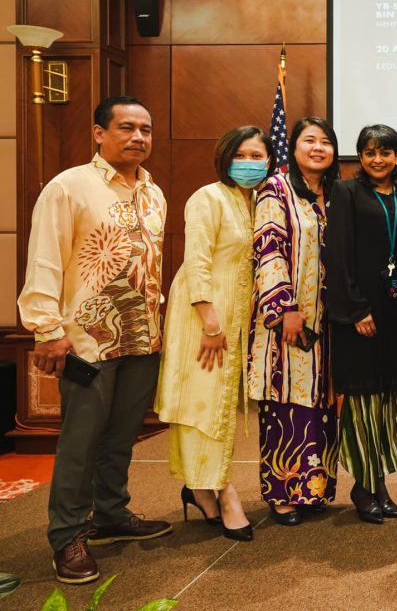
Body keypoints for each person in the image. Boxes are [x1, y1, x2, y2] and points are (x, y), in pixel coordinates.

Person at [18, 95, 171, 584]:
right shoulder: (69, 187)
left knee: (122, 437)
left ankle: (111, 513)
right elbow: (44, 260)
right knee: (80, 442)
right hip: (87, 341)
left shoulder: (153, 193)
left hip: (142, 338)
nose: (138, 137)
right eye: (126, 127)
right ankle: (67, 535)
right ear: (99, 133)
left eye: (145, 129)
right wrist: (47, 330)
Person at [154, 126, 276, 543]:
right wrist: (209, 322)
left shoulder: (259, 202)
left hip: (237, 320)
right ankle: (223, 494)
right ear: (225, 157)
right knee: (203, 404)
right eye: (241, 154)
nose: (249, 163)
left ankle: (201, 487)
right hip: (203, 316)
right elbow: (197, 262)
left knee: (220, 404)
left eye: (257, 156)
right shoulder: (207, 198)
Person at [247, 116, 340, 526]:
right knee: (286, 401)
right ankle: (281, 493)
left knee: (320, 403)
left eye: (326, 142)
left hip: (328, 320)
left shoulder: (334, 194)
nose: (318, 148)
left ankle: (313, 490)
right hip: (289, 319)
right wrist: (284, 307)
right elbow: (268, 248)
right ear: (294, 147)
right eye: (309, 140)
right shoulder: (276, 188)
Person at [328, 124, 397, 525]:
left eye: (385, 152)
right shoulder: (346, 192)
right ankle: (362, 486)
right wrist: (356, 309)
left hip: (395, 311)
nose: (377, 159)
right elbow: (339, 255)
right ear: (360, 158)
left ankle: (379, 484)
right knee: (362, 402)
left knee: (385, 401)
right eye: (369, 152)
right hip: (360, 313)